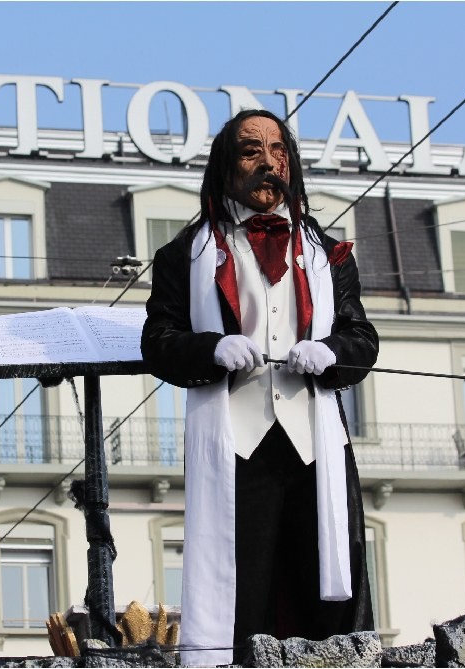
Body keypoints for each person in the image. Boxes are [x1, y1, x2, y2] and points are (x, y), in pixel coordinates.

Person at [141, 109, 379, 666]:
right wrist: (210, 349)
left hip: (313, 445)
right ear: (225, 167)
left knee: (324, 585)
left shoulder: (328, 255)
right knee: (238, 593)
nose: (269, 162)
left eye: (279, 151)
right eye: (252, 151)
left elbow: (362, 339)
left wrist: (331, 353)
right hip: (235, 447)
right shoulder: (184, 255)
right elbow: (158, 341)